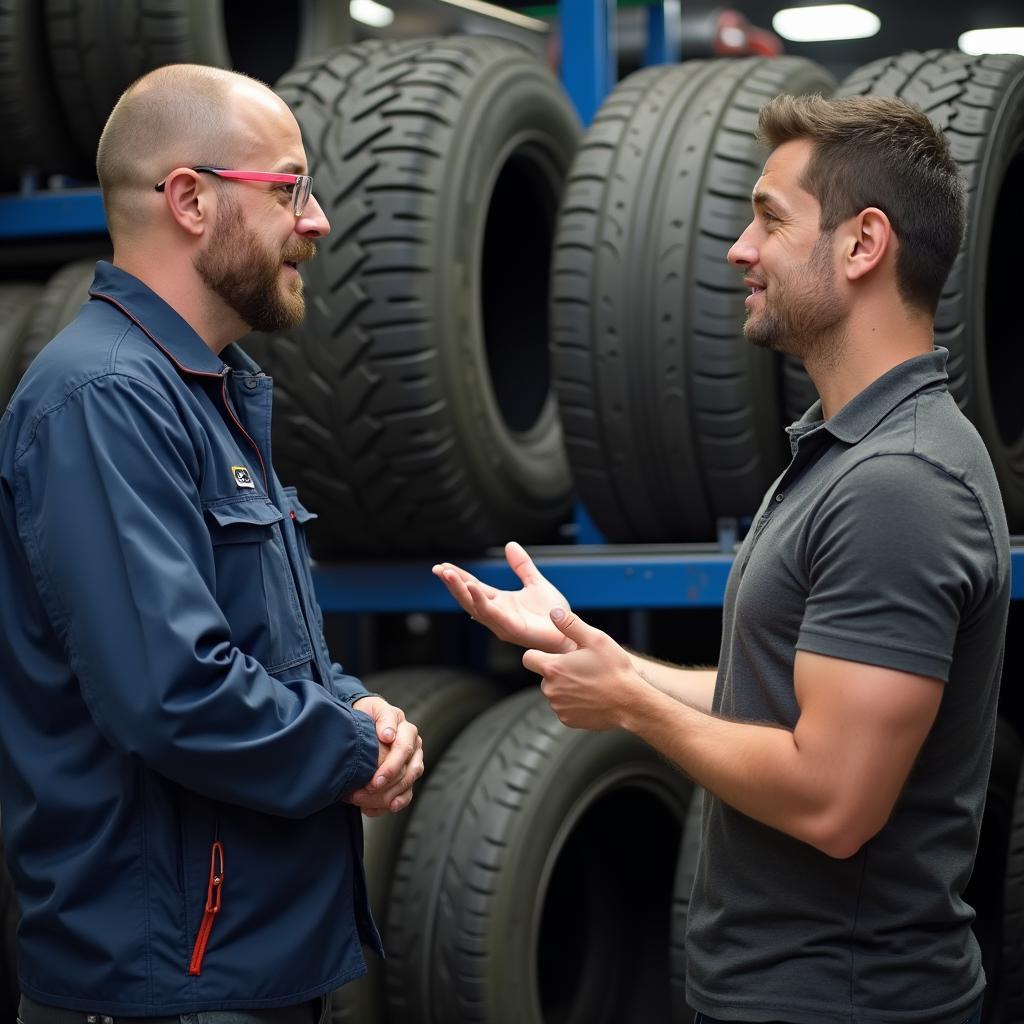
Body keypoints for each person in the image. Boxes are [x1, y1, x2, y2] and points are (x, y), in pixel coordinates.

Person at [434, 94, 1010, 1024]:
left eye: (769, 219)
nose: (741, 250)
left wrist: (625, 706)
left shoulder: (899, 485)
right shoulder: (847, 455)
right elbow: (773, 699)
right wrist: (608, 661)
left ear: (864, 245)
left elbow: (832, 801)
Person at [0, 64, 423, 1021]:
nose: (314, 223)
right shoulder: (105, 399)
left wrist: (360, 708)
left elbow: (250, 642)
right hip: (165, 982)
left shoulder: (200, 395)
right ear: (189, 199)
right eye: (290, 189)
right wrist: (351, 749)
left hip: (236, 965)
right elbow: (170, 691)